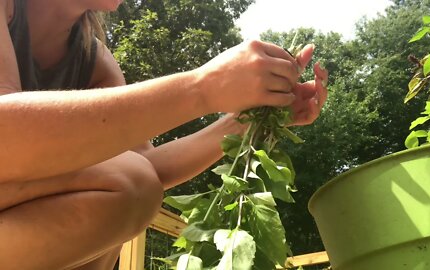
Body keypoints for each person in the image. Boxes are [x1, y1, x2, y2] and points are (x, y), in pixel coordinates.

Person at [0, 0, 329, 269]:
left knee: (133, 186)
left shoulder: (93, 60)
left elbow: (144, 170)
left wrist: (245, 121)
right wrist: (202, 87)